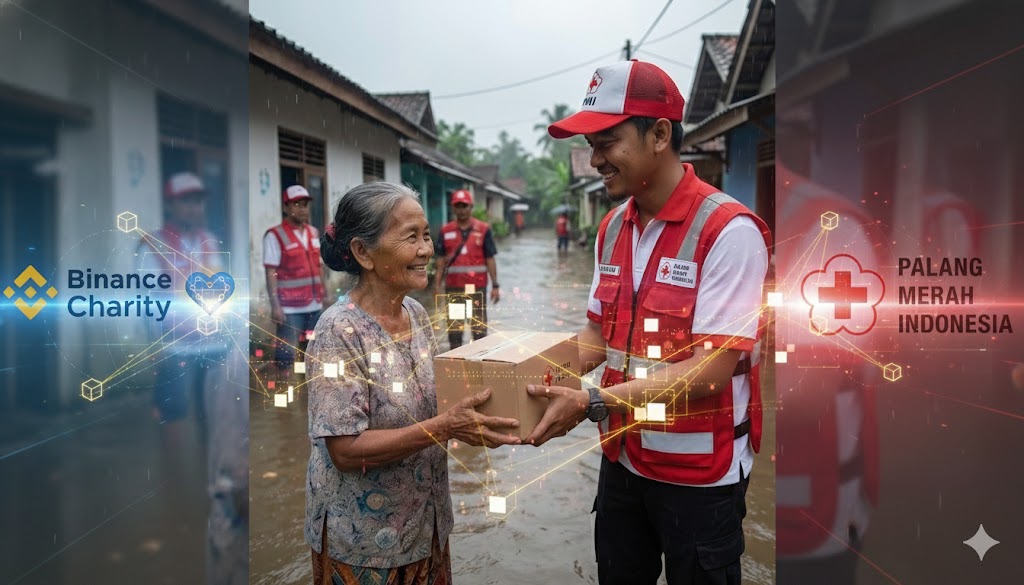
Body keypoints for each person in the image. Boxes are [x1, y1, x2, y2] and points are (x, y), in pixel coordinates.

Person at [527, 60, 772, 585]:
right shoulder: (613, 225)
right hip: (623, 460)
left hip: (700, 479)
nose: (594, 160)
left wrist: (592, 401)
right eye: (591, 145)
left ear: (660, 134)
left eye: (607, 142)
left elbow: (710, 371)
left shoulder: (729, 231)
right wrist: (519, 377)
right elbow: (598, 337)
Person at [306, 182, 520, 585]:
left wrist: (477, 421)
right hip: (367, 545)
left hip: (426, 527)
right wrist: (443, 428)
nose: (426, 250)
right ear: (362, 253)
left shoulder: (417, 313)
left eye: (426, 235)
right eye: (410, 237)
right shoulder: (338, 331)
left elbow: (429, 405)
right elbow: (345, 450)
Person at [137, 171, 227, 445]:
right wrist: (155, 345)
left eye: (198, 201)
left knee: (210, 410)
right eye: (186, 201)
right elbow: (146, 301)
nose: (194, 207)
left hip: (209, 340)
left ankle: (205, 473)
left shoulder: (209, 241)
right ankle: (173, 474)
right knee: (172, 410)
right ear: (170, 205)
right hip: (172, 344)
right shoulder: (153, 245)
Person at [264, 184, 332, 376]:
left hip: (314, 305)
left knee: (314, 352)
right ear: (286, 207)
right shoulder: (275, 235)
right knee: (286, 355)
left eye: (305, 204)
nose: (302, 209)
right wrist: (275, 306)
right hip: (290, 308)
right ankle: (282, 395)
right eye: (296, 204)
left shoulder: (313, 232)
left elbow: (317, 265)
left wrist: (324, 292)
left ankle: (307, 393)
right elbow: (271, 271)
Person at [432, 189, 500, 349]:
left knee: (479, 331)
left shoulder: (483, 229)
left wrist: (495, 286)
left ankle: (479, 366)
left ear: (471, 207)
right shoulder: (445, 231)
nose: (461, 210)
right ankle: (457, 367)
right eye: (458, 206)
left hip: (476, 289)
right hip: (454, 290)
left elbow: (490, 258)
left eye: (465, 206)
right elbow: (440, 260)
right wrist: (436, 285)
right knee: (455, 331)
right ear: (453, 208)